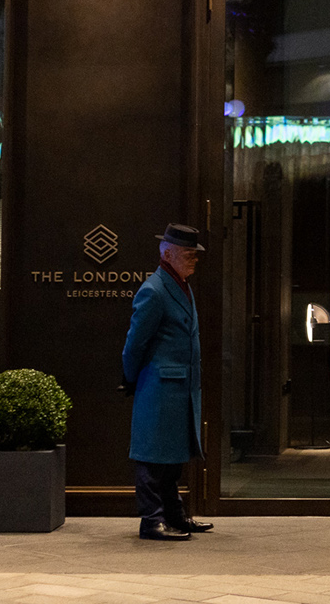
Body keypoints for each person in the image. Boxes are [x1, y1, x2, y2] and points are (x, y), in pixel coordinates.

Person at [121, 222, 214, 542]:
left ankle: (174, 515)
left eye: (195, 254)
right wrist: (131, 377)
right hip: (159, 388)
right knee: (152, 458)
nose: (194, 259)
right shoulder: (154, 290)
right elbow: (135, 344)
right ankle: (151, 520)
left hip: (178, 389)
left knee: (172, 458)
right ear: (168, 253)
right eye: (189, 254)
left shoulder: (179, 285)